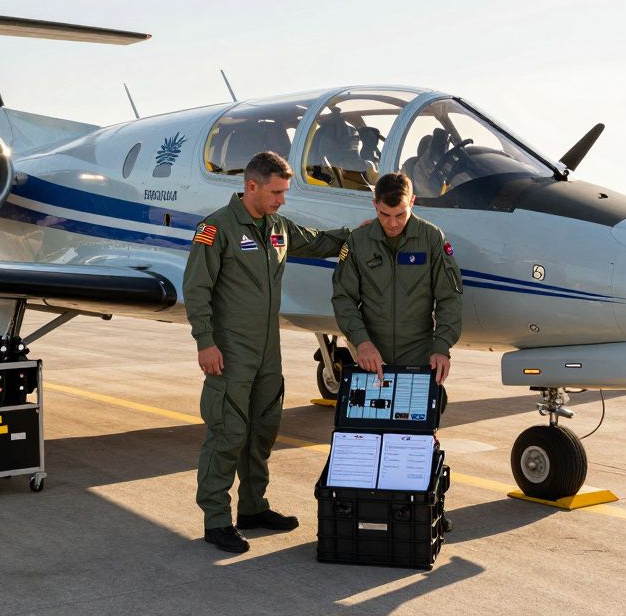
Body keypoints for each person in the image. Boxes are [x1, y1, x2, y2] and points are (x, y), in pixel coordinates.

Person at [184, 151, 352, 553]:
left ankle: (254, 508)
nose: (281, 200)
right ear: (252, 186)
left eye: (284, 192)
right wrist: (205, 341)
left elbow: (319, 242)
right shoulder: (216, 229)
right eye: (276, 192)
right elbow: (196, 289)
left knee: (261, 432)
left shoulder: (277, 227)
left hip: (266, 351)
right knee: (228, 434)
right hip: (229, 351)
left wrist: (359, 233)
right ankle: (216, 520)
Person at [331, 172, 462, 384]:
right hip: (371, 358)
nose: (392, 224)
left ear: (412, 201)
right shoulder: (359, 241)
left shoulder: (431, 238)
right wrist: (362, 342)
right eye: (384, 214)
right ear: (375, 205)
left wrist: (441, 348)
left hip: (419, 358)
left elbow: (449, 297)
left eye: (400, 214)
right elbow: (343, 297)